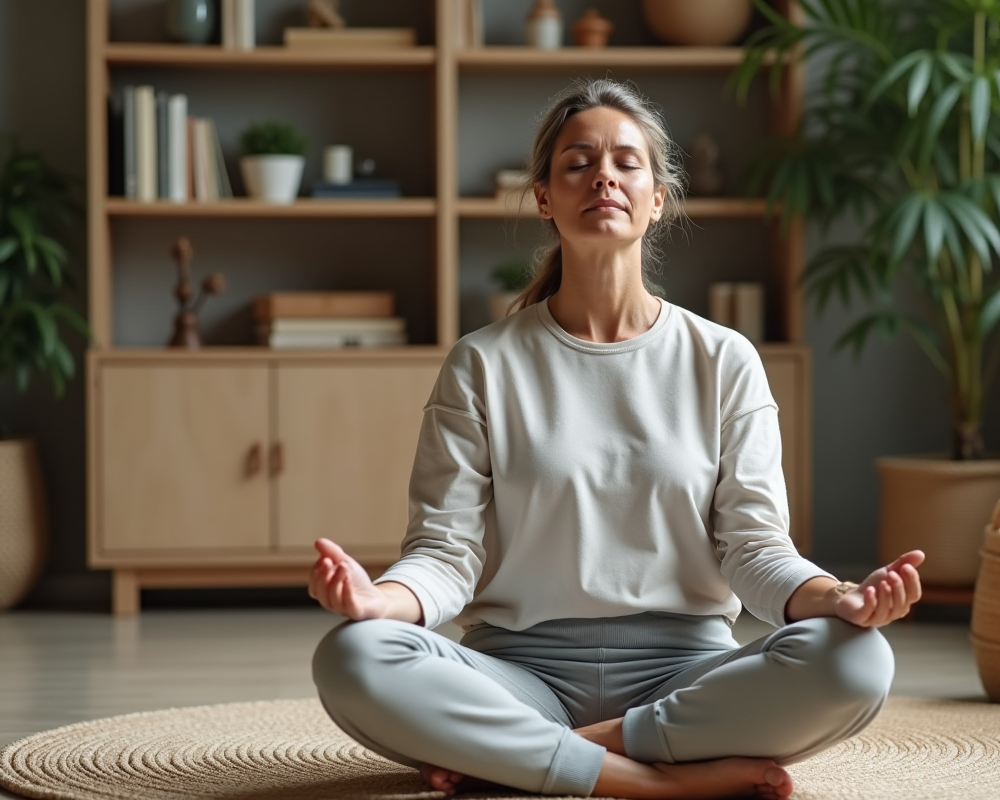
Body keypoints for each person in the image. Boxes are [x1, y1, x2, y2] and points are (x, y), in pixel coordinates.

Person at [309, 78, 924, 800]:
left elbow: (755, 549)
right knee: (352, 657)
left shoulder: (724, 359)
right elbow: (447, 554)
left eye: (627, 162)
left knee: (857, 662)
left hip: (686, 674)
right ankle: (657, 783)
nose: (604, 174)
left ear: (657, 198)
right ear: (544, 197)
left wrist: (838, 596)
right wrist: (378, 601)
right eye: (578, 162)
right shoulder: (483, 363)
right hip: (518, 675)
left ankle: (565, 756)